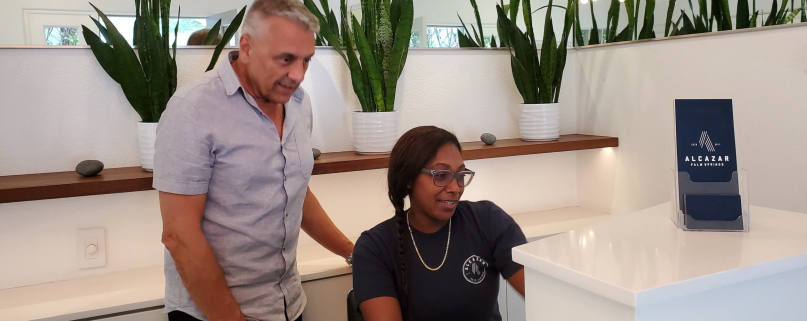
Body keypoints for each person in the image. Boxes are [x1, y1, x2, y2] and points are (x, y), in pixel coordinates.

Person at [153, 1, 354, 320]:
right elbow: (179, 236)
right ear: (246, 46)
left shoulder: (299, 104)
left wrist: (352, 252)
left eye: (306, 61)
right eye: (286, 59)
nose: (298, 74)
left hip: (287, 303)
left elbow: (294, 191)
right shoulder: (192, 110)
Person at [352, 126, 528, 321]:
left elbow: (539, 290)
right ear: (409, 178)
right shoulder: (374, 247)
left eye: (460, 176)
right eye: (441, 175)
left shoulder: (488, 220)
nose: (455, 188)